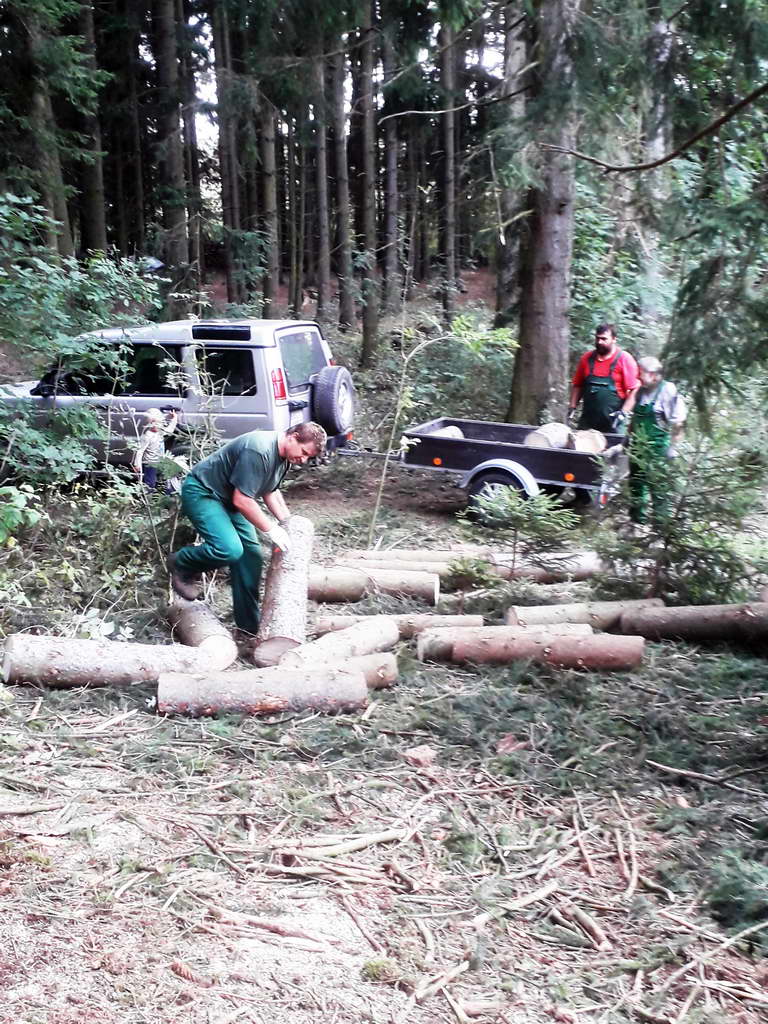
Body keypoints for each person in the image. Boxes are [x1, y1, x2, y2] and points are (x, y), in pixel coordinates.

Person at [168, 422, 327, 636]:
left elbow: (270, 491)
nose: (303, 459)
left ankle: (248, 627)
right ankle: (181, 563)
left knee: (251, 555)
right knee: (229, 549)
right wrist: (271, 529)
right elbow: (242, 500)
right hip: (204, 492)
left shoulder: (283, 458)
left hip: (228, 500)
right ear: (293, 436)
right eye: (304, 452)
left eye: (308, 457)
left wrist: (287, 523)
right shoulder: (259, 450)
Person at [628, 356, 687, 525]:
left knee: (658, 487)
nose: (638, 377)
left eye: (641, 373)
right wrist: (626, 440)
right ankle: (637, 523)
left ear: (653, 375)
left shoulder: (667, 390)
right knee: (636, 484)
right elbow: (634, 420)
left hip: (657, 449)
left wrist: (673, 448)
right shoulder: (641, 391)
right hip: (637, 448)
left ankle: (661, 527)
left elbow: (678, 422)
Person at [568, 324, 640, 434]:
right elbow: (578, 385)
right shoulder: (586, 359)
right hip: (587, 423)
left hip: (613, 424)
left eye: (604, 339)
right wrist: (572, 407)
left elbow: (635, 389)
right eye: (597, 338)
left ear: (614, 339)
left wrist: (623, 413)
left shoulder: (624, 359)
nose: (599, 342)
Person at [131, 407, 178, 489]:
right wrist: (137, 464)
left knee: (164, 479)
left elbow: (170, 430)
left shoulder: (160, 432)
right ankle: (147, 494)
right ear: (150, 423)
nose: (158, 425)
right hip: (150, 463)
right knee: (150, 483)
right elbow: (140, 451)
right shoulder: (147, 436)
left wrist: (174, 418)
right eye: (155, 423)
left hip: (159, 461)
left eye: (159, 423)